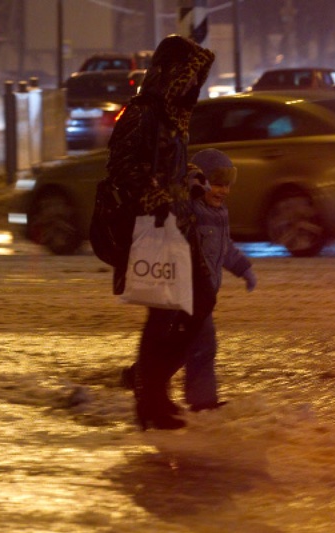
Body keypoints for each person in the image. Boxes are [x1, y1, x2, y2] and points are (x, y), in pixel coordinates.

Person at [105, 34, 215, 430]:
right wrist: (158, 199)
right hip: (152, 230)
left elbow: (167, 167)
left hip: (180, 225)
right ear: (170, 74)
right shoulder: (143, 113)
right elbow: (123, 167)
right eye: (186, 77)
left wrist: (191, 180)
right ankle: (149, 396)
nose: (191, 86)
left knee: (197, 303)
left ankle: (150, 386)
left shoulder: (173, 117)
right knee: (165, 312)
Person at [121, 149, 257, 413]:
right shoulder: (189, 211)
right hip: (183, 293)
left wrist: (244, 269)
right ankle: (200, 401)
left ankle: (141, 377)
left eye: (228, 185)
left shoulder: (220, 214)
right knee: (202, 345)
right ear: (200, 181)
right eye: (217, 184)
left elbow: (225, 248)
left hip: (202, 297)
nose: (224, 191)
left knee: (184, 347)